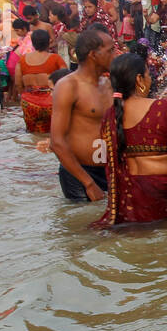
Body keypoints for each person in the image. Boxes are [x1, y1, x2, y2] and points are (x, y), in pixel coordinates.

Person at [96, 52, 167, 226]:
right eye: (148, 74)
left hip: (130, 199)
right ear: (139, 79)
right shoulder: (164, 108)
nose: (150, 79)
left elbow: (100, 156)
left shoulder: (110, 116)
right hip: (164, 194)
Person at [51, 27, 115, 201]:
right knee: (83, 225)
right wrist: (88, 183)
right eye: (110, 51)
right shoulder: (68, 86)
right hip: (79, 174)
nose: (115, 55)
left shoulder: (109, 83)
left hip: (109, 171)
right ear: (93, 55)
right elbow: (57, 141)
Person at [13, 29, 66, 133]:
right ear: (48, 42)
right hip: (50, 102)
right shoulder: (56, 58)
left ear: (32, 43)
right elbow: (66, 79)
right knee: (54, 133)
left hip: (29, 102)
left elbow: (18, 83)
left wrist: (23, 97)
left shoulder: (22, 60)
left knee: (33, 134)